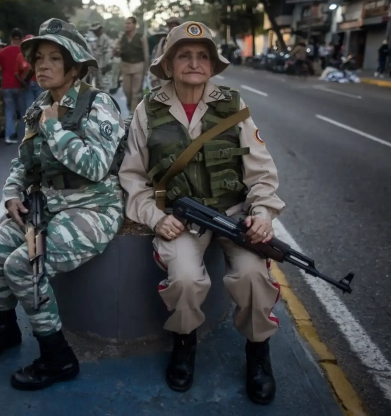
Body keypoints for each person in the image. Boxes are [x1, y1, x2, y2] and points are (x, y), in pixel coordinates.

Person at [118, 21, 285, 405]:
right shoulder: (149, 108)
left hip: (233, 212)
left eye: (202, 56)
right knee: (186, 280)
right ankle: (184, 345)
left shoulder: (233, 104)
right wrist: (156, 217)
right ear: (169, 63)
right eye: (184, 55)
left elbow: (261, 172)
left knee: (252, 275)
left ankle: (258, 355)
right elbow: (133, 176)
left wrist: (261, 213)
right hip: (179, 218)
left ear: (212, 64)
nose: (194, 62)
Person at [0, 18, 125, 391]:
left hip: (93, 208)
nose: (42, 65)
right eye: (39, 58)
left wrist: (55, 128)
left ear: (75, 66)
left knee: (25, 265)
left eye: (55, 58)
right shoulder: (39, 105)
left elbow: (96, 166)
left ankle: (58, 358)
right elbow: (23, 161)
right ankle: (5, 333)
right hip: (47, 203)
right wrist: (10, 193)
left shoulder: (98, 104)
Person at [115, 16, 149, 111]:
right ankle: (130, 106)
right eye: (126, 23)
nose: (127, 25)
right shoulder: (122, 37)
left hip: (138, 66)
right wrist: (116, 51)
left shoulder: (141, 37)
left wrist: (146, 70)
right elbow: (116, 53)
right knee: (127, 91)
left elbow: (146, 55)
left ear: (134, 25)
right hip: (125, 66)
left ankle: (132, 114)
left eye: (129, 23)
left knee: (135, 92)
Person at [0, 28, 24, 144]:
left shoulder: (2, 52)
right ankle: (23, 136)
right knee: (23, 111)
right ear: (22, 39)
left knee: (9, 111)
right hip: (20, 85)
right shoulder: (23, 52)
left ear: (11, 38)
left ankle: (9, 136)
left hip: (6, 85)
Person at [88, 23, 113, 91]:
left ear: (99, 30)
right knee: (98, 86)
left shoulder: (105, 39)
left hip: (103, 67)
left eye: (95, 30)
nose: (94, 32)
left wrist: (105, 66)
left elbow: (108, 53)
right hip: (98, 66)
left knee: (103, 86)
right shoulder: (97, 39)